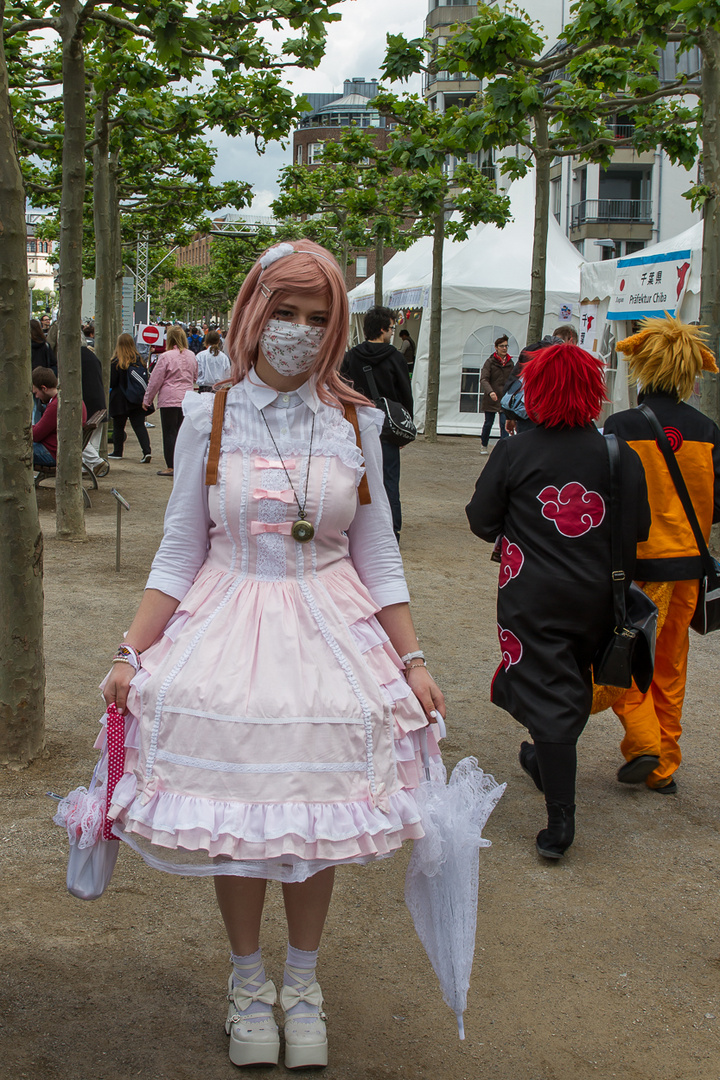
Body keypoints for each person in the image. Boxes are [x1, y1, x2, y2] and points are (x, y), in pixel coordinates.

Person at [100, 239, 446, 1070]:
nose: (298, 331)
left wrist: (415, 657)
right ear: (254, 314)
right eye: (284, 313)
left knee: (310, 817)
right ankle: (248, 979)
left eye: (317, 318)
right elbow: (180, 549)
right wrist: (129, 650)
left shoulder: (355, 420)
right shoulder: (206, 416)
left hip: (329, 630)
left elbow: (379, 552)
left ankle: (303, 979)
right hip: (229, 622)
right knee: (243, 820)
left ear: (336, 329)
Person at [466, 344, 650, 859]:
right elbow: (640, 528)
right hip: (600, 594)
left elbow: (481, 520)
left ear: (536, 390)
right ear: (594, 392)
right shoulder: (618, 453)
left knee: (548, 690)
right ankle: (543, 760)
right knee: (566, 684)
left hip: (533, 594)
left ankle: (560, 822)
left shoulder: (516, 450)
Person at [604, 316, 720, 794]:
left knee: (620, 657)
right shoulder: (708, 430)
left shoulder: (620, 426)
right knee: (671, 666)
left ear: (642, 368)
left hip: (636, 569)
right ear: (691, 374)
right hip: (689, 567)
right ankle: (663, 766)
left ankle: (645, 739)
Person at [341, 306, 414, 541]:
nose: (393, 332)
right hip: (387, 425)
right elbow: (405, 394)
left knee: (355, 477)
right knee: (389, 479)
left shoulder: (351, 356)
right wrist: (404, 428)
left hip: (357, 424)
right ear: (383, 329)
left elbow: (341, 389)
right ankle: (391, 530)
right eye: (392, 328)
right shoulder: (395, 357)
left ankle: (356, 527)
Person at [142, 325, 198, 476]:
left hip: (169, 398)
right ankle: (182, 464)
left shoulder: (165, 357)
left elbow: (155, 380)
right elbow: (195, 376)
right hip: (187, 398)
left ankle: (171, 466)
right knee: (182, 432)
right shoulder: (192, 355)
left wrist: (147, 399)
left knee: (169, 433)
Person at [108, 333, 153, 463]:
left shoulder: (116, 362)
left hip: (120, 399)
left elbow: (112, 382)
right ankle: (146, 451)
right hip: (136, 398)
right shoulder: (139, 360)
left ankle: (118, 451)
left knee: (119, 426)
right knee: (139, 426)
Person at [32, 367, 87, 467]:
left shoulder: (56, 405)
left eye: (36, 393)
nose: (36, 397)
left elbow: (35, 435)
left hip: (54, 453)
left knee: (9, 449)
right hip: (64, 450)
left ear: (44, 388)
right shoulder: (69, 398)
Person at [479, 335, 514, 454]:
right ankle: (484, 444)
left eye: (506, 346)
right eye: (501, 346)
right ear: (496, 347)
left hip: (504, 398)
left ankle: (504, 448)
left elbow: (513, 380)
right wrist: (490, 392)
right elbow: (484, 379)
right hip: (491, 398)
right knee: (488, 422)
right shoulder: (490, 362)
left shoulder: (510, 363)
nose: (504, 348)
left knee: (504, 423)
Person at [80, 345, 109, 476]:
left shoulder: (77, 356)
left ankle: (96, 462)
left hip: (87, 402)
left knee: (80, 437)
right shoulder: (92, 356)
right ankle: (91, 466)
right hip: (98, 401)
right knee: (94, 438)